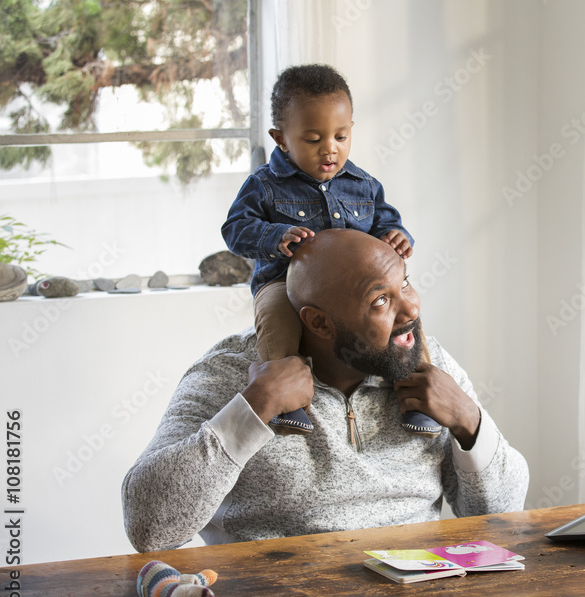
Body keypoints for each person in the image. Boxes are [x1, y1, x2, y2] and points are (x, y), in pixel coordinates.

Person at [122, 230, 529, 553]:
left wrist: (469, 421)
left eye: (405, 284)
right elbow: (148, 528)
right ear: (318, 323)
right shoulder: (229, 373)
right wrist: (252, 410)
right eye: (381, 300)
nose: (410, 310)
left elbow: (501, 516)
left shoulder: (428, 361)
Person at [222, 63, 414, 434]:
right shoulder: (264, 185)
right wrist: (274, 236)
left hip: (356, 293)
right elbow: (234, 229)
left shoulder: (363, 185)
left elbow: (386, 222)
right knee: (277, 323)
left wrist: (397, 235)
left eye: (341, 137)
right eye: (313, 140)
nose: (330, 149)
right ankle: (284, 397)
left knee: (406, 318)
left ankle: (416, 390)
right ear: (281, 138)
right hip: (283, 283)